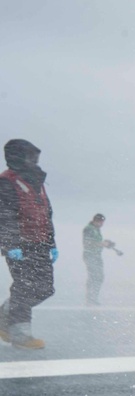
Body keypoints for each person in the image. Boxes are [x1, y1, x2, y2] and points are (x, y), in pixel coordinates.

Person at [0, 139, 57, 350]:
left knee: (45, 288)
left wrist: (52, 243)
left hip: (40, 243)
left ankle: (4, 314)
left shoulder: (37, 182)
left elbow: (47, 214)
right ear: (16, 156)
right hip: (21, 246)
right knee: (25, 287)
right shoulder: (7, 182)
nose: (34, 161)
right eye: (30, 156)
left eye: (36, 157)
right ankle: (20, 335)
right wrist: (9, 244)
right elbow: (4, 216)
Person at [82, 213, 119, 306]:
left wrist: (106, 244)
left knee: (98, 276)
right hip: (90, 255)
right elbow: (88, 243)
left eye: (102, 222)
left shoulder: (96, 229)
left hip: (96, 255)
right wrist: (102, 244)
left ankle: (93, 297)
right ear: (95, 221)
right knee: (95, 276)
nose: (102, 224)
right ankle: (90, 298)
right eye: (100, 222)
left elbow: (96, 241)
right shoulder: (89, 229)